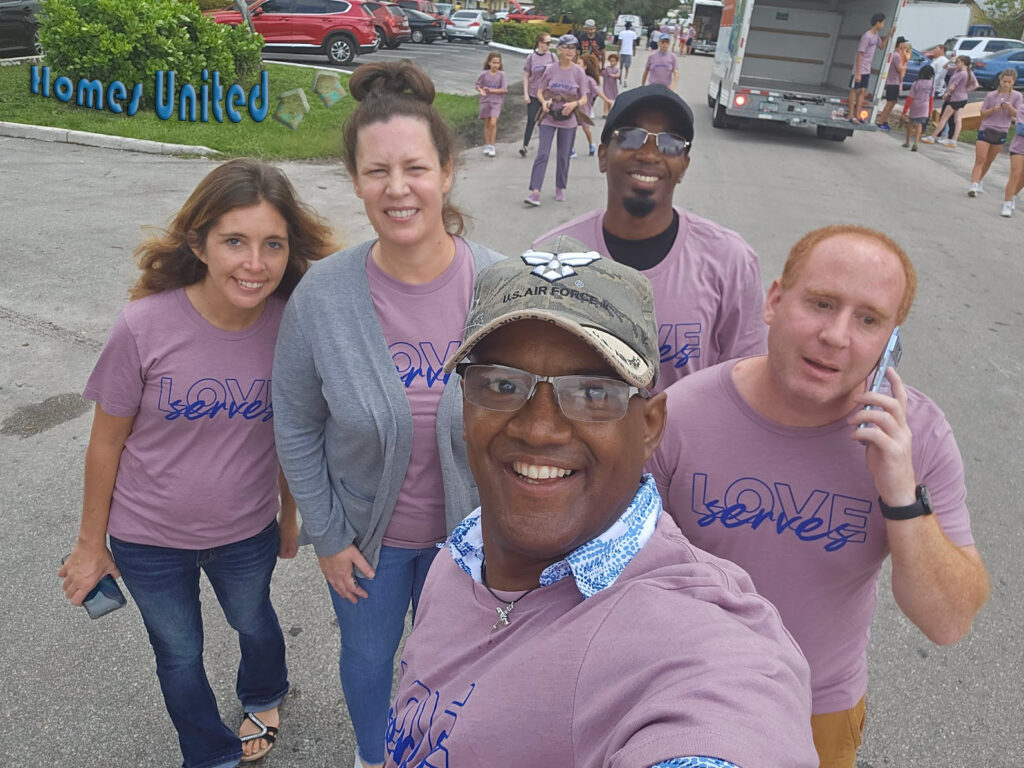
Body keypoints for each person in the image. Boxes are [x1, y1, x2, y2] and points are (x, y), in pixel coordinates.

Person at [383, 237, 819, 768]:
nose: (539, 428)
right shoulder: (463, 551)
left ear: (650, 426)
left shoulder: (699, 648)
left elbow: (733, 724)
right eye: (501, 384)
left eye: (594, 393)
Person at [650, 225, 990, 768]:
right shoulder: (681, 415)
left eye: (868, 319)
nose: (836, 335)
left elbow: (947, 622)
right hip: (682, 694)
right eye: (822, 303)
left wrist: (901, 493)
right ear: (775, 300)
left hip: (819, 707)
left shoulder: (917, 436)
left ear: (890, 341)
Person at [59, 158, 337, 768]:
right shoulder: (143, 326)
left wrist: (292, 517)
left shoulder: (294, 326)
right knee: (179, 654)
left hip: (246, 531)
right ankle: (209, 753)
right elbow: (105, 442)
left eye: (273, 245)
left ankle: (264, 691)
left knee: (254, 619)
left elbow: (296, 434)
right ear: (199, 243)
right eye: (234, 241)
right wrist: (89, 544)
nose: (254, 263)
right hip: (146, 539)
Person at [271, 61, 505, 768]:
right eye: (377, 172)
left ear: (447, 171)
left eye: (414, 168)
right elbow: (296, 422)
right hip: (367, 544)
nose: (397, 189)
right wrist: (329, 536)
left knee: (458, 668)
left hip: (475, 545)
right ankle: (376, 757)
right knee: (369, 663)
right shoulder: (324, 296)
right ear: (355, 181)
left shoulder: (500, 285)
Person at [534, 85, 768, 391]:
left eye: (671, 144)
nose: (648, 154)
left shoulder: (730, 261)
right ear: (603, 156)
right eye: (631, 137)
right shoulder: (552, 256)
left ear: (683, 167)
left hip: (685, 439)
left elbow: (747, 378)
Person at [524, 34, 591, 207]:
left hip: (568, 120)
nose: (570, 51)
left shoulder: (579, 72)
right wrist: (544, 101)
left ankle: (560, 186)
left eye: (573, 48)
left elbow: (584, 98)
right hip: (549, 116)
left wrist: (574, 104)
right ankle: (535, 191)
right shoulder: (550, 69)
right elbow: (540, 91)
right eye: (567, 47)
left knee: (563, 155)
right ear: (559, 49)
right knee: (543, 153)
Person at [969, 69, 1022, 202]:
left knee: (989, 160)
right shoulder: (991, 95)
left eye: (1009, 82)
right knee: (980, 158)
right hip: (986, 128)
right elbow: (982, 113)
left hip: (1002, 130)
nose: (1006, 84)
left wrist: (1009, 108)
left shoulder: (1017, 96)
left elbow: (1018, 115)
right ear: (1000, 80)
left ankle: (980, 180)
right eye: (1004, 81)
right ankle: (973, 184)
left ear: (1013, 82)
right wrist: (993, 109)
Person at [848, 13, 895, 123]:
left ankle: (857, 115)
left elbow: (881, 46)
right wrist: (858, 73)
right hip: (860, 68)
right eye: (882, 23)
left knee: (863, 91)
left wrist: (889, 35)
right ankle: (850, 114)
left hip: (867, 68)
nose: (883, 25)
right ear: (877, 23)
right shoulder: (867, 36)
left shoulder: (876, 35)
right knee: (854, 90)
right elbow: (860, 53)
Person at [922, 55, 978, 148]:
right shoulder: (968, 72)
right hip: (963, 98)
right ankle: (953, 140)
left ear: (963, 62)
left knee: (944, 118)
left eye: (958, 61)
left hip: (955, 98)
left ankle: (933, 136)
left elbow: (952, 87)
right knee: (958, 120)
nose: (956, 63)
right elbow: (975, 84)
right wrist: (966, 91)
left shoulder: (961, 74)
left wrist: (947, 94)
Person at [519, 32, 557, 158]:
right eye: (547, 43)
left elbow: (558, 73)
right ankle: (525, 145)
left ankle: (543, 147)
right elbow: (526, 75)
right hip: (534, 93)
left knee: (545, 121)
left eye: (549, 43)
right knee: (531, 119)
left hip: (547, 95)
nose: (548, 45)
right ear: (540, 43)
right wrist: (526, 94)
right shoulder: (531, 57)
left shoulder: (552, 56)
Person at [579, 53, 613, 155]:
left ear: (585, 67)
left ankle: (591, 144)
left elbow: (598, 91)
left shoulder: (589, 80)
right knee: (571, 128)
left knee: (585, 128)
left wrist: (606, 100)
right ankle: (570, 149)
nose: (576, 66)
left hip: (585, 107)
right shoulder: (574, 76)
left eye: (579, 63)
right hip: (574, 105)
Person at [475, 51, 507, 158]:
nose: (496, 65)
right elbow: (478, 85)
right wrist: (481, 91)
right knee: (487, 123)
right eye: (494, 63)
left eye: (498, 63)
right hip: (485, 101)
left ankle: (492, 145)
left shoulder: (502, 75)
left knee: (493, 123)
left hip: (496, 102)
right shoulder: (484, 74)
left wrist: (491, 90)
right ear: (489, 63)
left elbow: (503, 89)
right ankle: (487, 144)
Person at [876, 38, 909, 130]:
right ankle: (881, 121)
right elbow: (899, 69)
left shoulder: (895, 54)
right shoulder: (897, 56)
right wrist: (904, 65)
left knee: (893, 102)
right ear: (900, 44)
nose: (905, 45)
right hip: (893, 83)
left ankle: (884, 120)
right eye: (904, 43)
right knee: (890, 103)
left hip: (892, 82)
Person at [901, 63, 934, 151]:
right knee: (919, 125)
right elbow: (931, 98)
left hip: (915, 105)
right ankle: (915, 143)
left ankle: (907, 142)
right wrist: (930, 111)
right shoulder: (932, 84)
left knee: (910, 124)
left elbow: (910, 97)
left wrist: (905, 110)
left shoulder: (916, 83)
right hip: (925, 106)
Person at [615, 20, 637, 86]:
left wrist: (618, 52)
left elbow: (620, 43)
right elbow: (634, 43)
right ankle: (625, 79)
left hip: (622, 51)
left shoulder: (622, 33)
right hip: (629, 52)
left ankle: (620, 78)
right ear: (630, 27)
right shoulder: (633, 33)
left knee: (621, 67)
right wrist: (634, 51)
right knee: (627, 67)